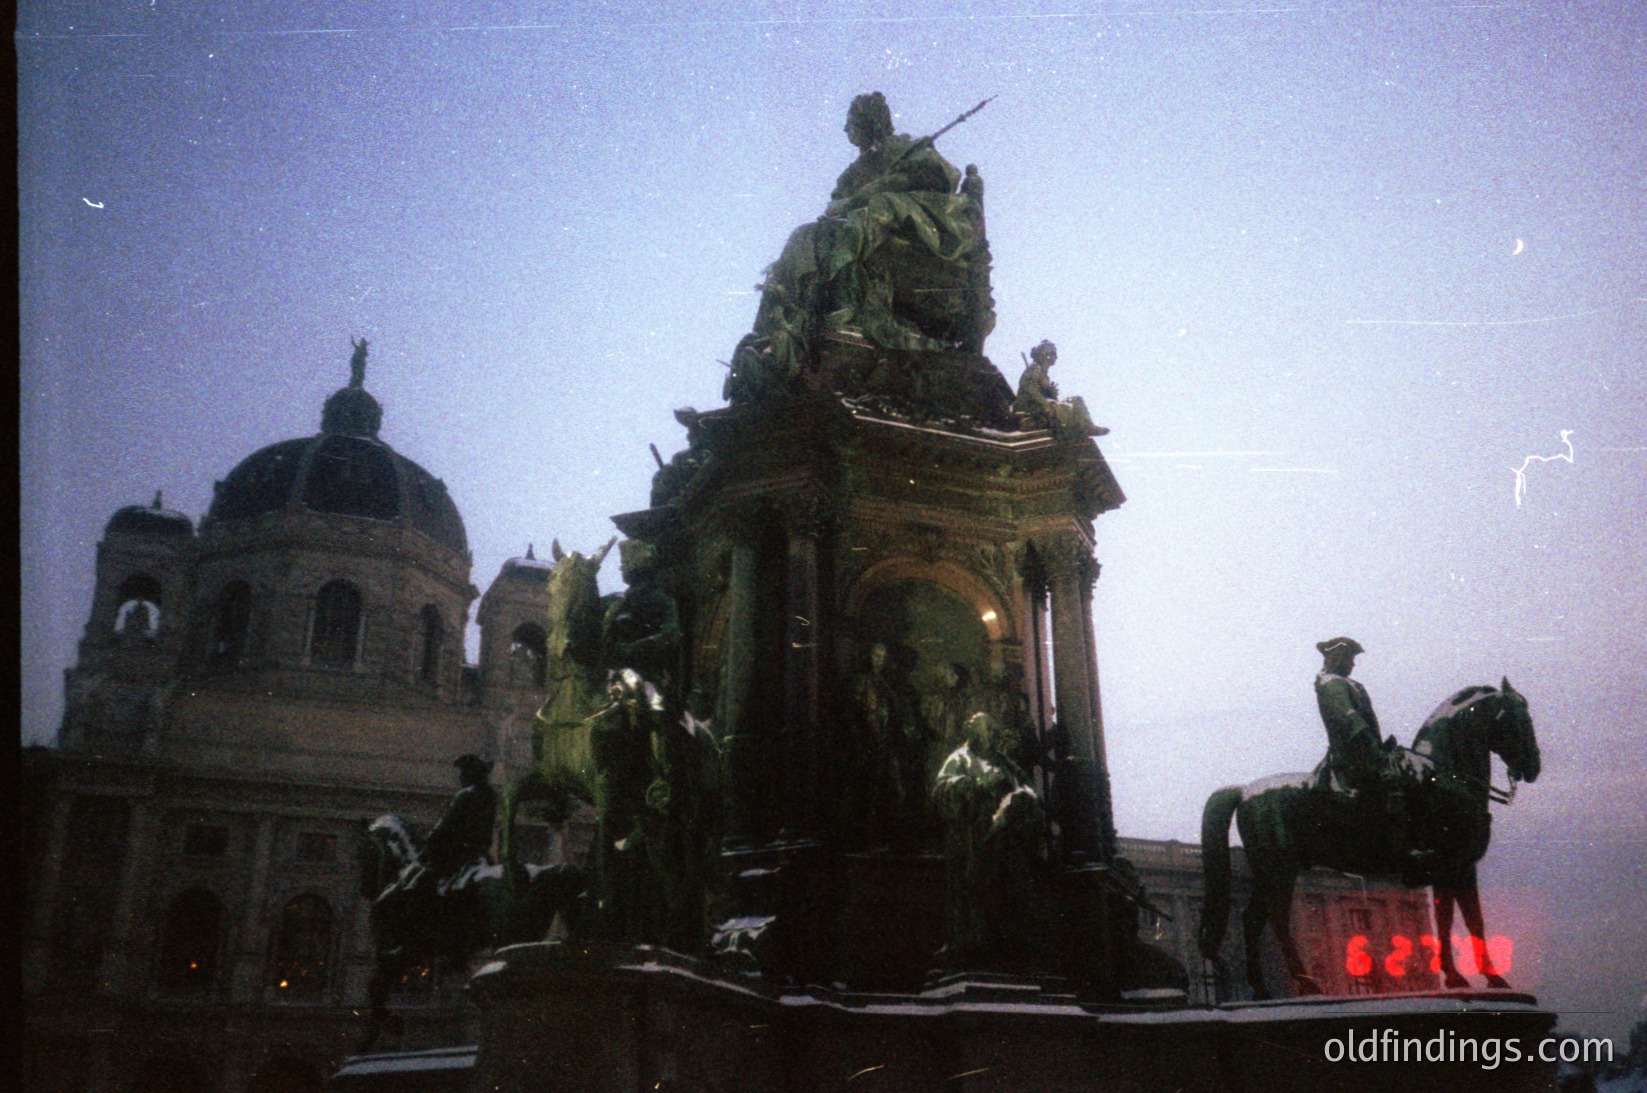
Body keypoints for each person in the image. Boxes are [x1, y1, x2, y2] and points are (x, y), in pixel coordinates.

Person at [1313, 638, 1427, 881]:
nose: (1353, 663)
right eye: (1349, 658)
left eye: (1353, 659)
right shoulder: (1330, 683)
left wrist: (1381, 744)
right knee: (1392, 781)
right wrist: (1372, 748)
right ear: (1336, 659)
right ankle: (1399, 850)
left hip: (1367, 748)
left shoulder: (1352, 684)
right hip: (1352, 754)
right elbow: (1349, 719)